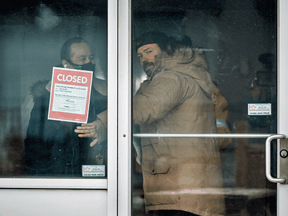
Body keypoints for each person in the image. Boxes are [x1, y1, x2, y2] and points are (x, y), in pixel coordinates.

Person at [75, 31, 225, 216]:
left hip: (179, 190)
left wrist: (103, 122)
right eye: (140, 55)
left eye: (149, 51)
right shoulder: (184, 75)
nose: (144, 59)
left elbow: (144, 107)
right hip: (189, 185)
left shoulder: (172, 78)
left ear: (167, 51)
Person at [24, 37, 107, 176]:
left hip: (93, 174)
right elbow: (34, 143)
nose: (89, 63)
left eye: (91, 58)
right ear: (66, 64)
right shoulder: (46, 98)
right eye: (82, 59)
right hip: (55, 175)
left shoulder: (102, 95)